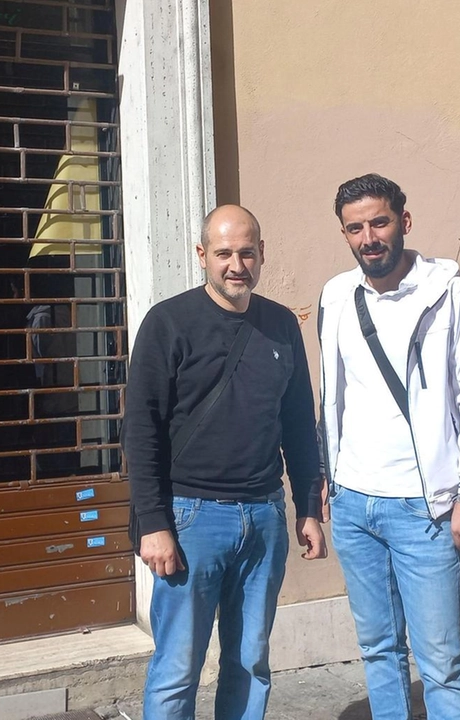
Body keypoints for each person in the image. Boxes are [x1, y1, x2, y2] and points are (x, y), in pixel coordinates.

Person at [124, 205, 328, 720]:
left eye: (246, 252)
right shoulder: (168, 323)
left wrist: (307, 506)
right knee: (177, 668)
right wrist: (153, 523)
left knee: (250, 662)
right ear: (202, 256)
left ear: (262, 255)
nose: (236, 265)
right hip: (191, 518)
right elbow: (141, 428)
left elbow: (300, 423)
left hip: (263, 517)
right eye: (223, 254)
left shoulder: (281, 324)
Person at [317, 174, 460, 719]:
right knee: (378, 651)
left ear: (404, 221)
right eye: (355, 228)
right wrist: (325, 478)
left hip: (426, 508)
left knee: (442, 664)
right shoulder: (336, 295)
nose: (369, 237)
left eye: (379, 222)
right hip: (353, 504)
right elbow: (333, 395)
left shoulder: (451, 293)